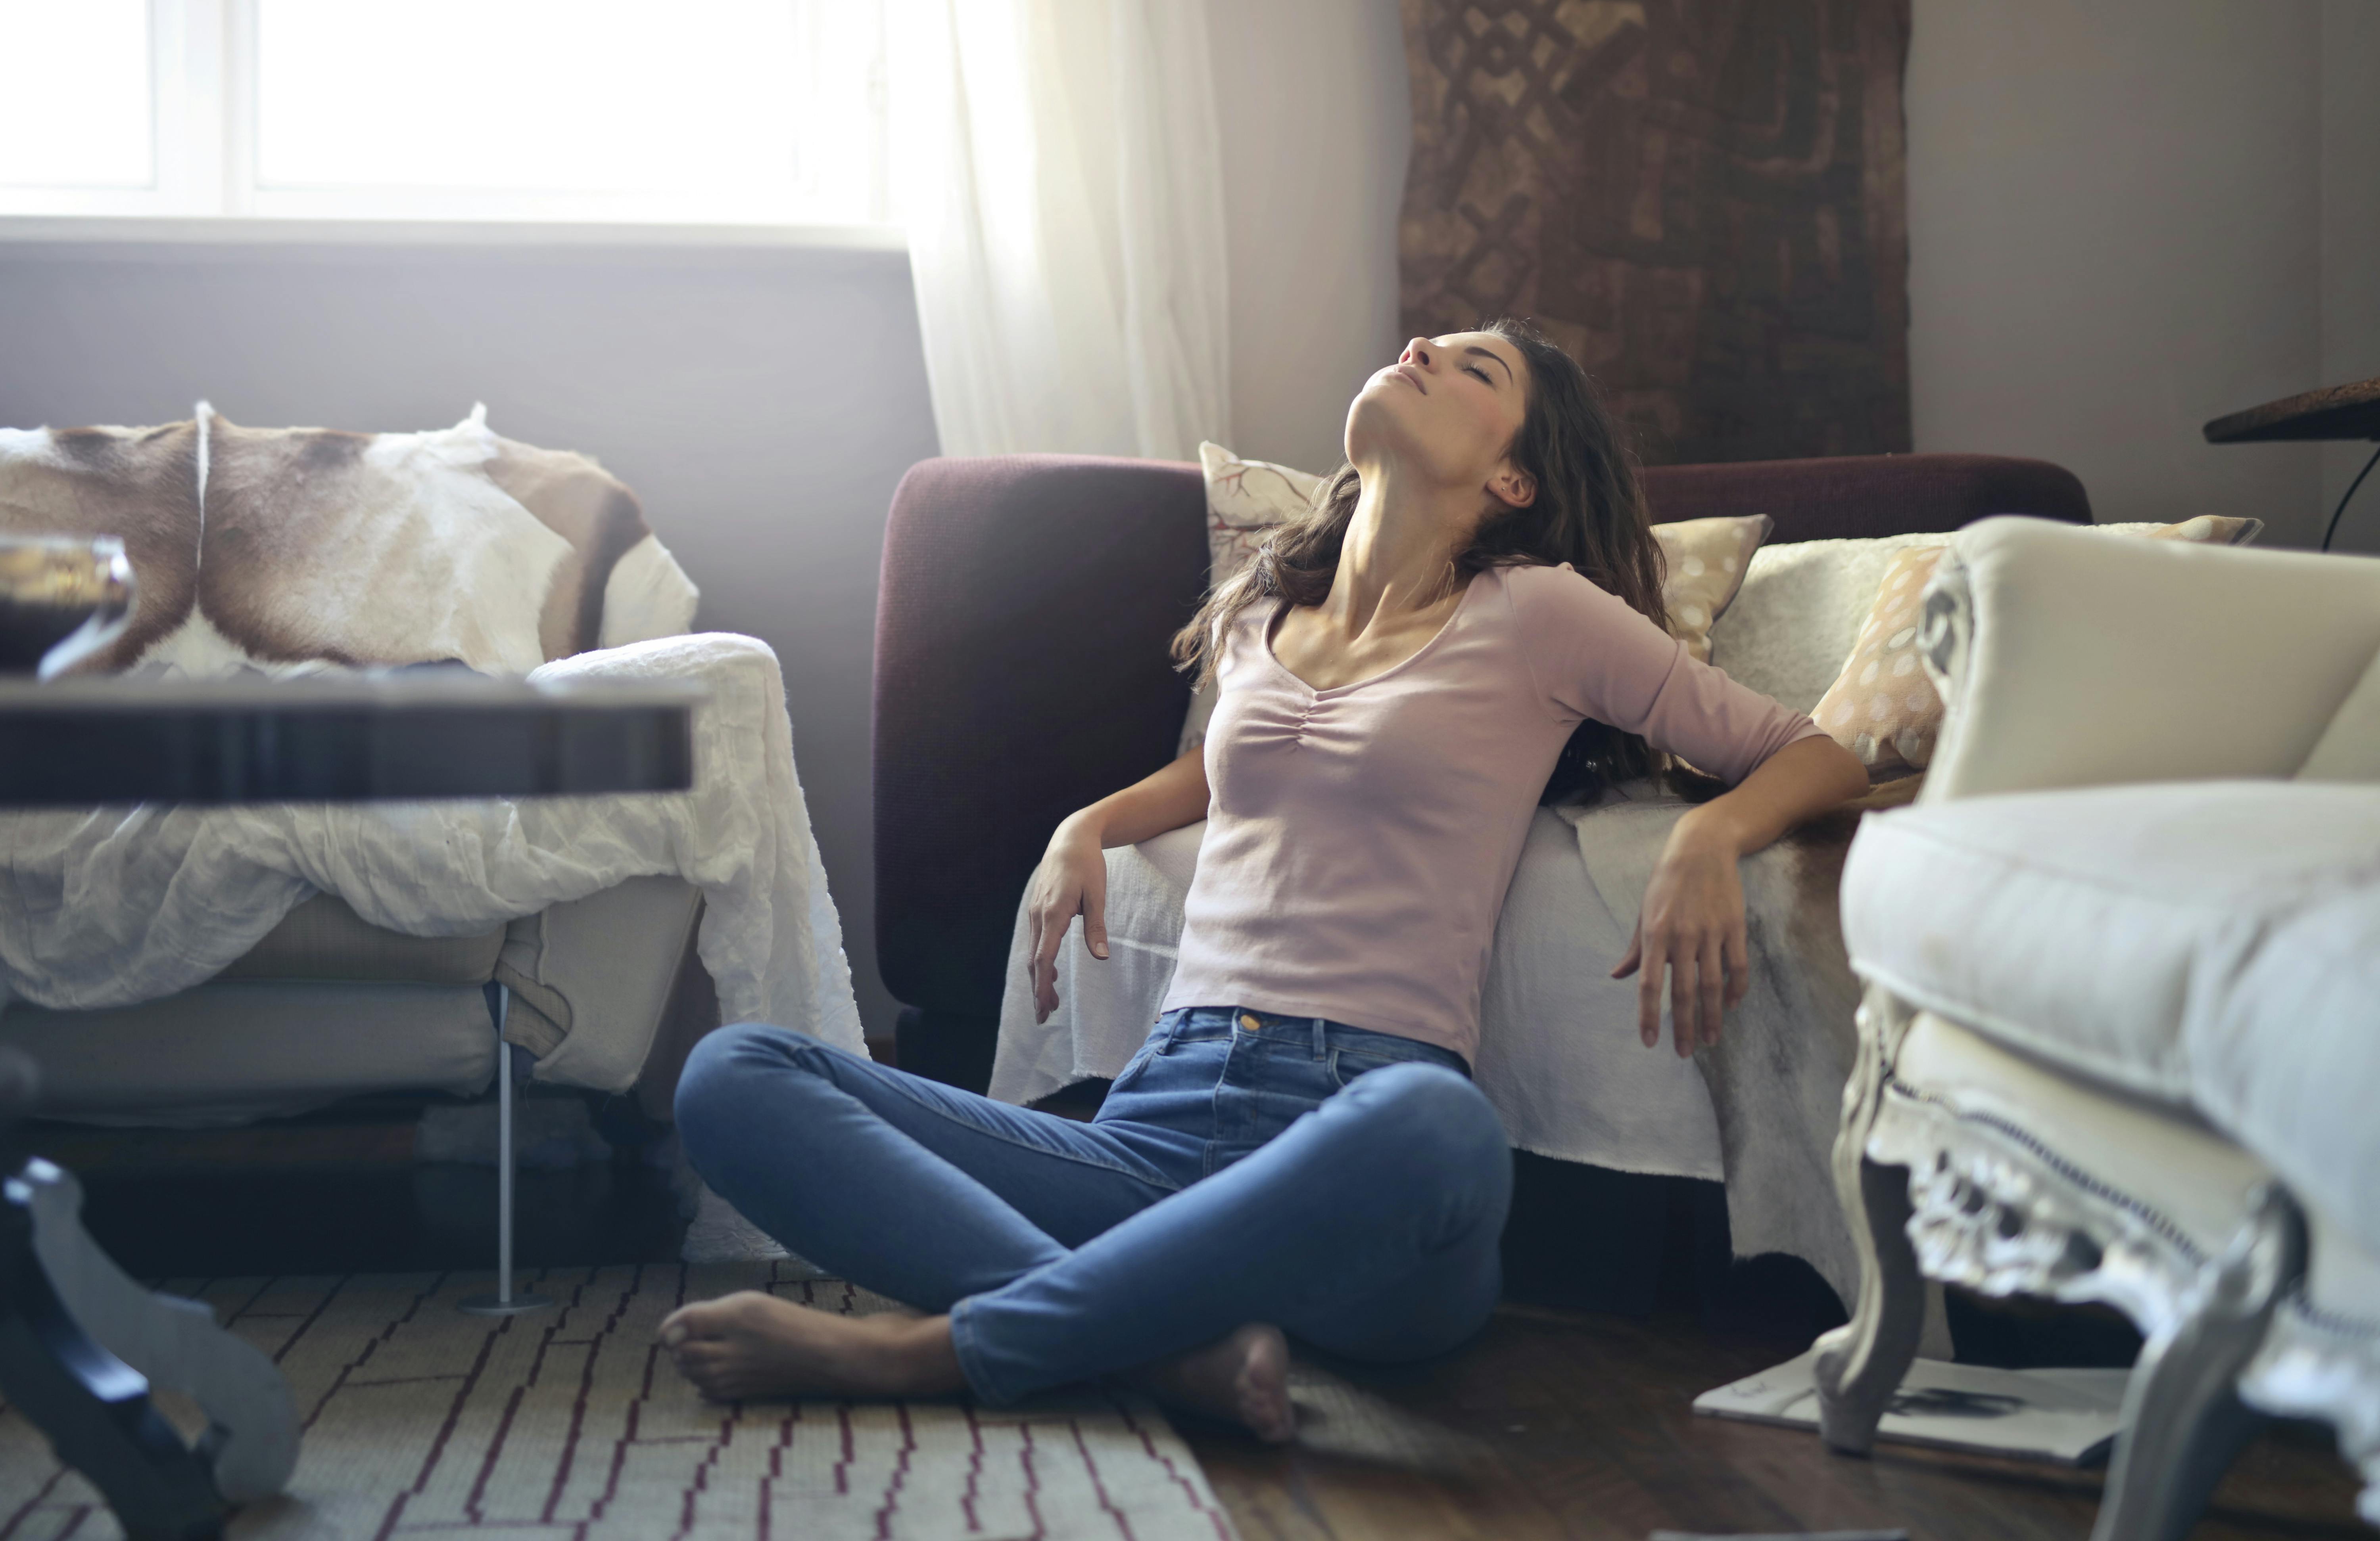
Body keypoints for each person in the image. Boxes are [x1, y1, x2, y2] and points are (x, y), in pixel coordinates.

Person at [655, 320, 1869, 1441]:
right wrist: (1087, 823)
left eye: (1473, 368)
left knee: (1440, 1128)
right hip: (1159, 1120)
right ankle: (1159, 1352)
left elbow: (1813, 752)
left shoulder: (1541, 613)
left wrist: (1704, 840)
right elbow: (1226, 770)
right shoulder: (1263, 621)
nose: (1423, 346)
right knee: (735, 1072)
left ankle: (935, 1355)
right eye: (1432, 342)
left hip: (1366, 1137)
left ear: (1515, 480)